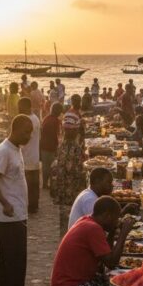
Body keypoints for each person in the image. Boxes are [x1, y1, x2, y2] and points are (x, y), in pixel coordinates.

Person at [50, 197, 137, 286]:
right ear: (107, 216)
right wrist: (123, 234)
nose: (117, 221)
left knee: (110, 283)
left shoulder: (87, 220)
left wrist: (112, 230)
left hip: (71, 281)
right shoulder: (93, 228)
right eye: (115, 219)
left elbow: (107, 253)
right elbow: (111, 263)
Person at [0, 114, 35, 286]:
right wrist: (5, 203)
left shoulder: (16, 149)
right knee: (16, 257)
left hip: (17, 211)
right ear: (15, 129)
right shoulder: (4, 151)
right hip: (9, 214)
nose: (29, 136)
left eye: (30, 133)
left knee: (7, 255)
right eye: (26, 132)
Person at [50, 101, 88, 235]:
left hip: (62, 189)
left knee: (63, 218)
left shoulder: (62, 145)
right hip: (71, 190)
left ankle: (64, 238)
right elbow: (74, 170)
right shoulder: (75, 148)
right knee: (72, 219)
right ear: (75, 130)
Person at [68, 167, 114, 231]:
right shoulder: (90, 199)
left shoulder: (89, 193)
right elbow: (100, 226)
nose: (112, 186)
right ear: (97, 181)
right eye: (108, 182)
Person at [17, 97, 42, 213]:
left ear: (26, 107)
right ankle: (33, 205)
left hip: (28, 156)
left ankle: (31, 206)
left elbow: (23, 139)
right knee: (33, 183)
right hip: (32, 155)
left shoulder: (30, 120)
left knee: (29, 184)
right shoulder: (34, 118)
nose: (19, 110)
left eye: (20, 108)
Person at [40, 102, 62, 190]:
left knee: (45, 166)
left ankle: (45, 183)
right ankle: (46, 184)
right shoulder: (55, 121)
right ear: (58, 111)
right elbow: (55, 135)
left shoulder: (46, 118)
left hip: (43, 145)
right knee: (50, 166)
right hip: (50, 146)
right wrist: (57, 147)